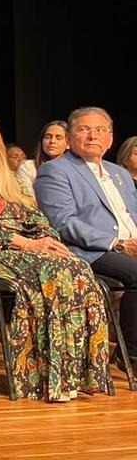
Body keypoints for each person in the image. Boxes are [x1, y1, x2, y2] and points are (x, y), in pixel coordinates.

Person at [0, 113, 109, 401]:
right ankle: (45, 377)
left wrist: (50, 241)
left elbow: (38, 220)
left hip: (18, 252)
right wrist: (26, 244)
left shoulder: (9, 182)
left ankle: (77, 374)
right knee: (52, 272)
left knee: (75, 266)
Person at [34, 106, 137, 357]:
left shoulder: (119, 173)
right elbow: (63, 222)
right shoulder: (55, 170)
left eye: (100, 130)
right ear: (69, 138)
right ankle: (131, 354)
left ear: (110, 139)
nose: (93, 136)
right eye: (84, 130)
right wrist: (118, 243)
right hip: (90, 251)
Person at [16, 120, 68, 190]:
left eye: (58, 138)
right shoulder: (27, 167)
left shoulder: (75, 168)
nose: (52, 141)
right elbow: (26, 198)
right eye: (48, 137)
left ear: (68, 144)